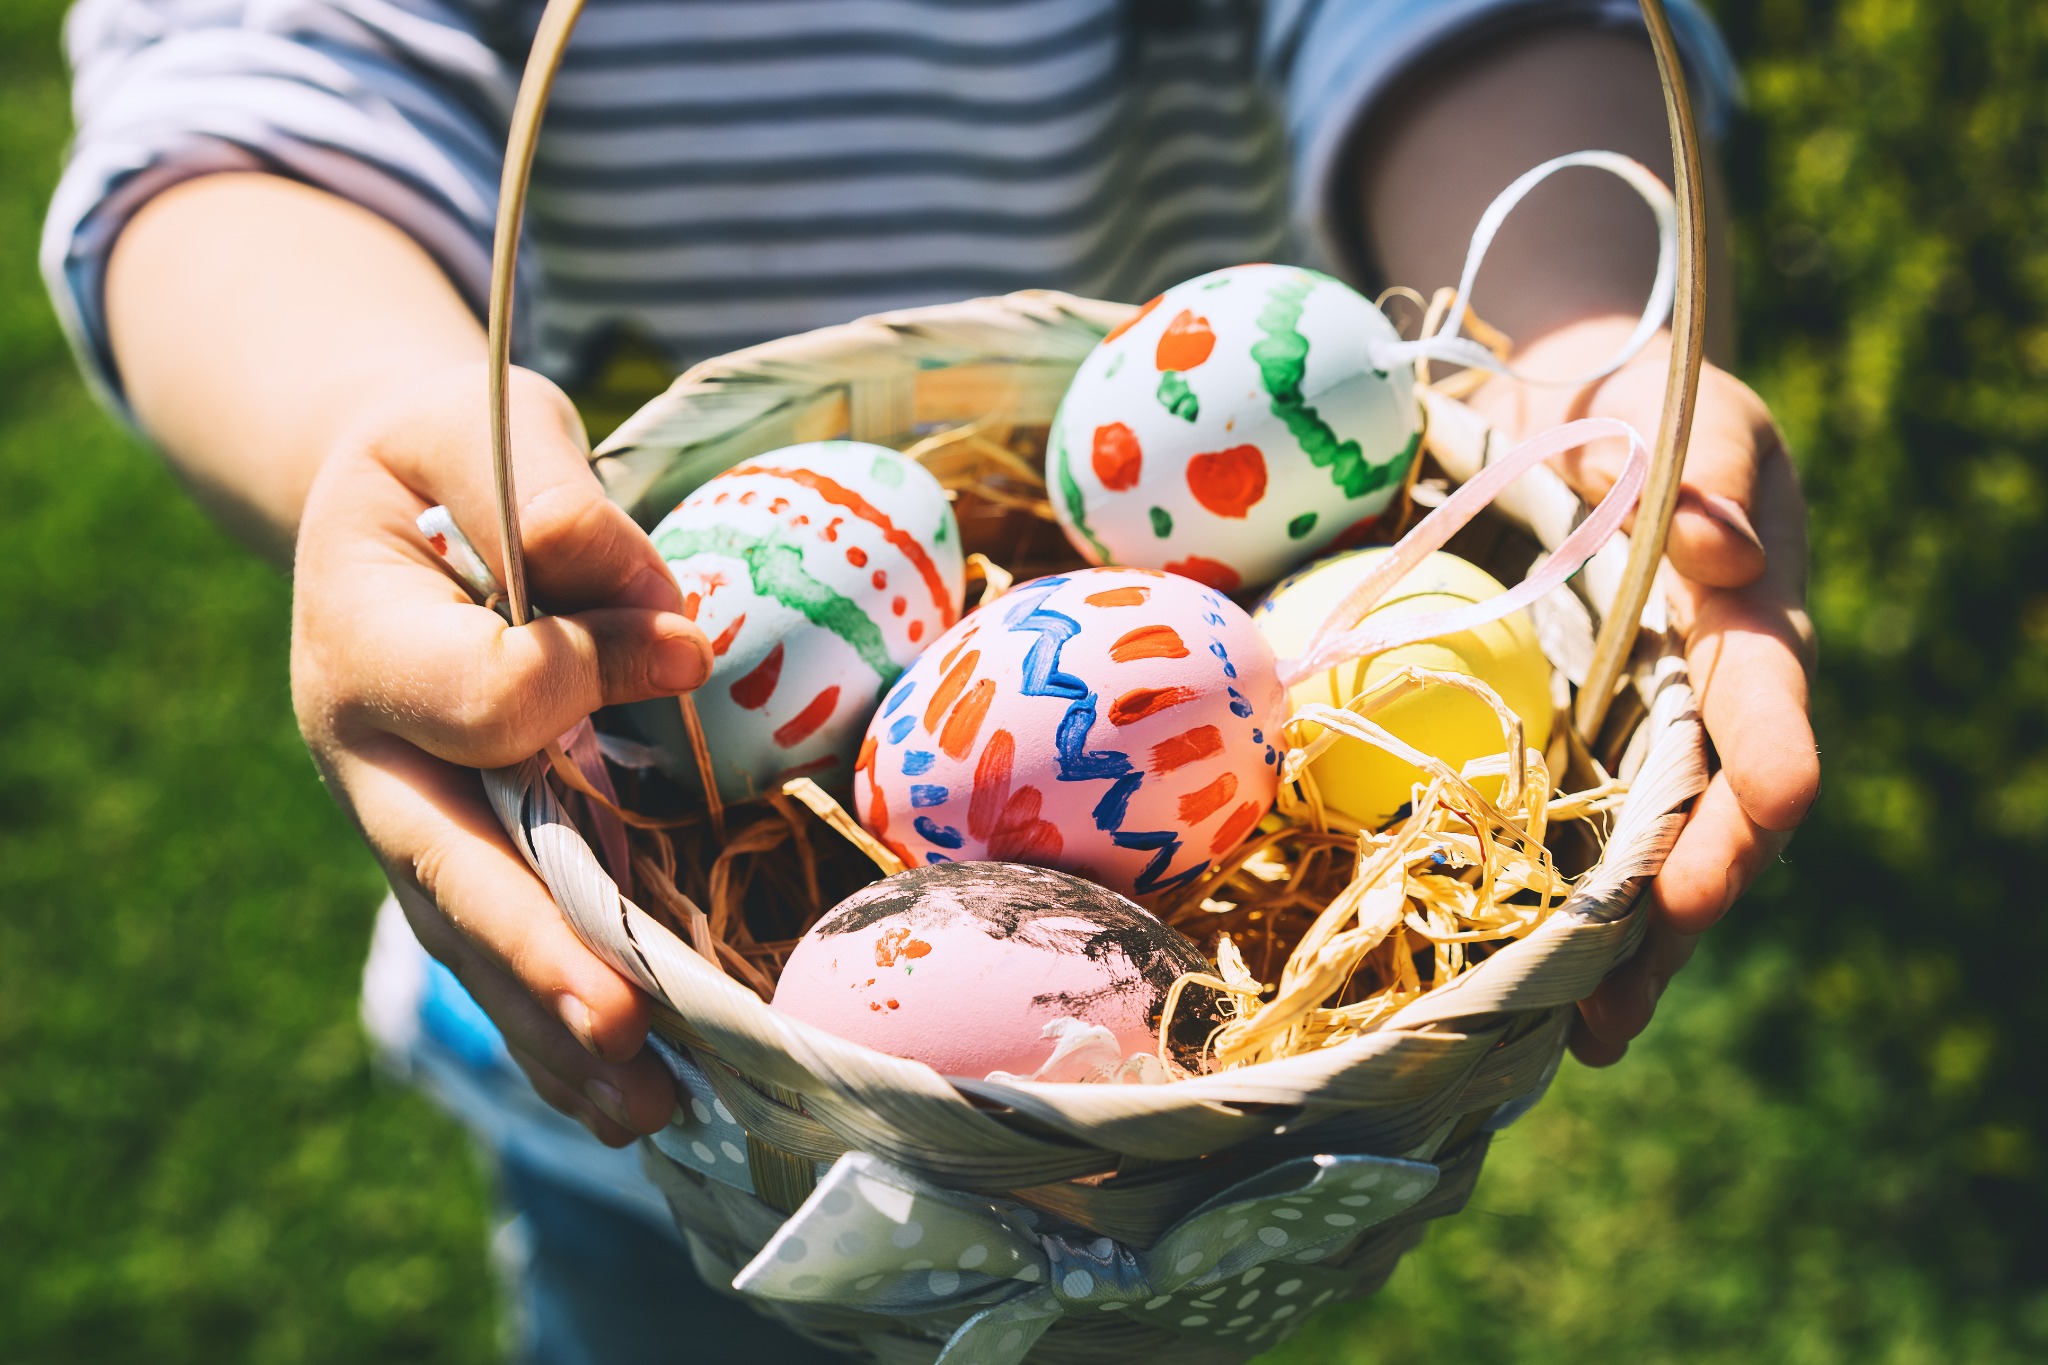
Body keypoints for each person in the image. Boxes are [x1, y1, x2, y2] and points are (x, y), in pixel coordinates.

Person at [42, 1, 1817, 1360]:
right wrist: (382, 434)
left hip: (1206, 1166)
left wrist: (1577, 360)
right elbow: (248, 87)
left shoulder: (1231, 658)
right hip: (651, 1086)